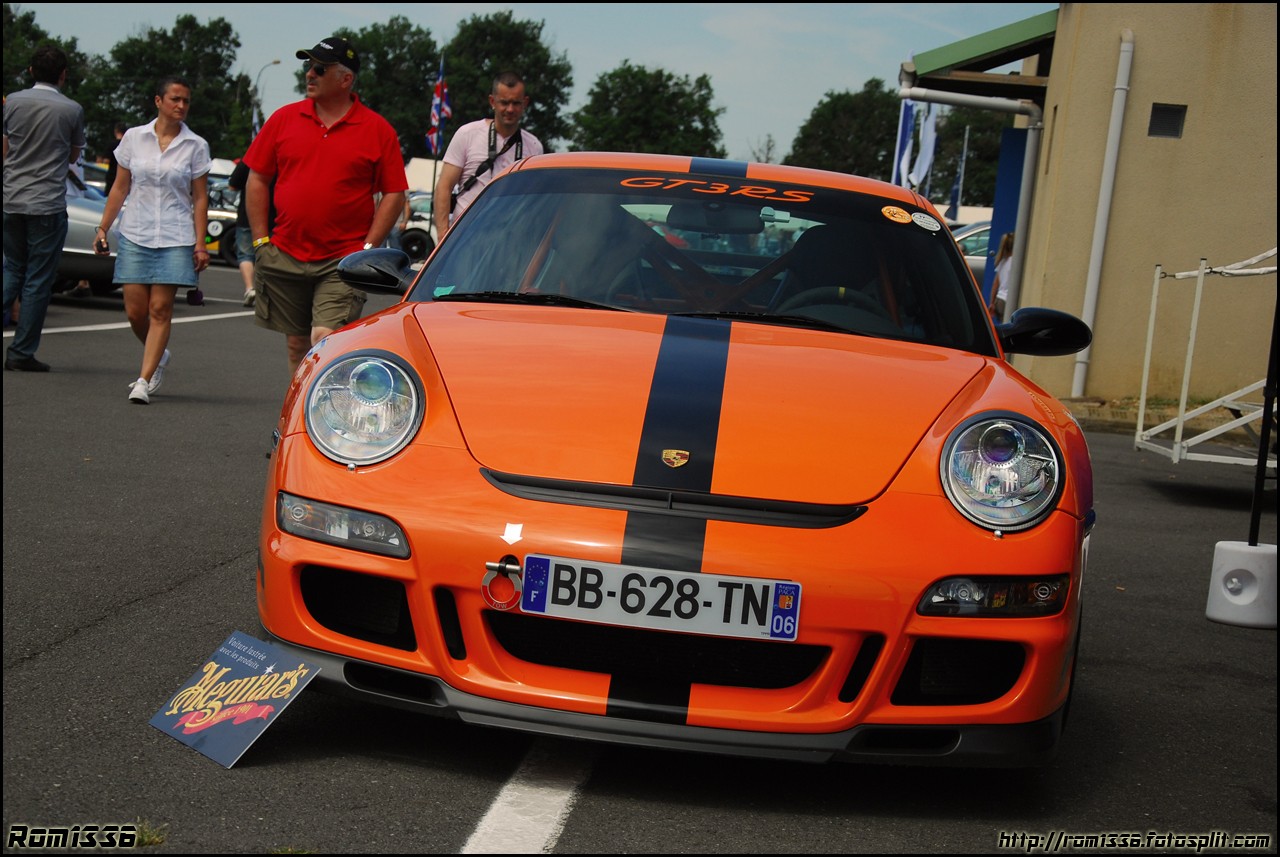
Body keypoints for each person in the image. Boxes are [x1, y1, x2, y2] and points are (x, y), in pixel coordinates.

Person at [244, 36, 408, 375]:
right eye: (308, 66)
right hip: (285, 252)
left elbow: (394, 193)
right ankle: (301, 416)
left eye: (320, 68)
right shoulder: (283, 119)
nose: (309, 74)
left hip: (343, 260)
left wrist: (368, 248)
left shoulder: (378, 130)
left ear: (346, 79)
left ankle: (324, 416)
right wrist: (261, 241)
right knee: (295, 343)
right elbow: (257, 178)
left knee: (325, 339)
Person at [94, 76, 210, 404]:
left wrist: (200, 244)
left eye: (186, 101)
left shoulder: (195, 145)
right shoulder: (134, 138)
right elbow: (120, 187)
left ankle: (143, 380)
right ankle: (159, 353)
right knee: (135, 311)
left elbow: (200, 198)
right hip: (135, 232)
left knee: (160, 308)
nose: (181, 106)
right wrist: (103, 228)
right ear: (158, 101)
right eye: (175, 99)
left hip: (176, 235)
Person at [2, 45, 86, 372]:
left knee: (12, 268)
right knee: (37, 279)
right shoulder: (72, 110)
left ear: (31, 71)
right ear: (63, 75)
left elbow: (5, 149)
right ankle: (21, 352)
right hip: (47, 202)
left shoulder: (13, 102)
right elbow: (73, 155)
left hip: (11, 197)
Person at [433, 71, 543, 238]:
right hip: (466, 235)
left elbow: (535, 199)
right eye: (504, 103)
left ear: (525, 103)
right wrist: (443, 234)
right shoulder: (468, 134)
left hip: (509, 238)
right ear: (492, 101)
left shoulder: (533, 146)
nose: (510, 109)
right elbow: (444, 187)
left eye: (516, 103)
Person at [226, 158, 264, 306]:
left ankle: (250, 288)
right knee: (269, 256)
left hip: (247, 215)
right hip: (274, 217)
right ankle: (266, 292)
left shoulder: (249, 160)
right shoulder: (281, 158)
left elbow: (232, 186)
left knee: (245, 255)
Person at [989, 231, 1015, 320]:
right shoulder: (1015, 262)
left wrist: (992, 303)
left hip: (999, 299)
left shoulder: (1002, 261)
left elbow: (995, 285)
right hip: (1008, 300)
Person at [103, 121, 126, 195]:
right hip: (124, 178)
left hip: (112, 176)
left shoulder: (111, 144)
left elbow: (106, 161)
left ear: (116, 131)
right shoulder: (127, 145)